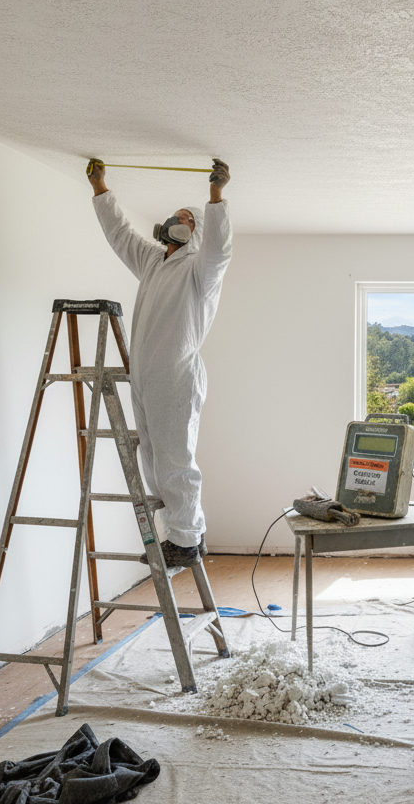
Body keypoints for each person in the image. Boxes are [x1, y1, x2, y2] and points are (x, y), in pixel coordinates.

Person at [87, 158, 232, 567]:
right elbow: (120, 234)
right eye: (176, 215)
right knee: (152, 459)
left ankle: (186, 540)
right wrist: (101, 187)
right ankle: (184, 535)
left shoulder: (199, 270)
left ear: (194, 232)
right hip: (146, 376)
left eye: (186, 218)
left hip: (176, 374)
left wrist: (216, 197)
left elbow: (220, 251)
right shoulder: (153, 262)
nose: (176, 219)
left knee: (175, 459)